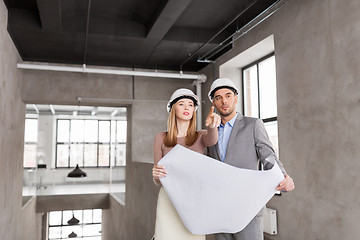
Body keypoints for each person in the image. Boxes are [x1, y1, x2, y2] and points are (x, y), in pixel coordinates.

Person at [207, 78, 295, 240]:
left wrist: (283, 175)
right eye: (218, 97)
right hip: (220, 207)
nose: (223, 101)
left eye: (228, 95)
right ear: (213, 102)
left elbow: (268, 155)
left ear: (236, 98)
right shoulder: (210, 131)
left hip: (248, 206)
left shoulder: (253, 124)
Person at [152, 88, 221, 240]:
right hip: (168, 200)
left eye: (190, 105)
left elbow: (213, 140)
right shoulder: (160, 138)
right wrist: (156, 174)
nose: (186, 108)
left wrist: (211, 126)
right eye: (181, 104)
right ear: (173, 109)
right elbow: (158, 179)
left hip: (193, 200)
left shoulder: (201, 136)